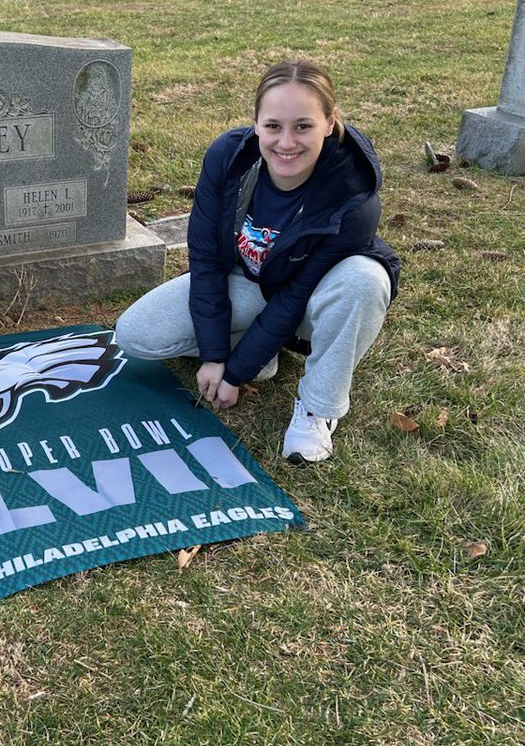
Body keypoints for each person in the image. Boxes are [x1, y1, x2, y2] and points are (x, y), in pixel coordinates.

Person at [115, 60, 400, 463]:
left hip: (316, 296)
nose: (286, 142)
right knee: (135, 334)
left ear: (330, 123)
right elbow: (207, 259)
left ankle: (317, 406)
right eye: (273, 126)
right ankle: (258, 351)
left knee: (363, 281)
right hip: (249, 278)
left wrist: (234, 375)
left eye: (303, 126)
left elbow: (296, 296)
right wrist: (216, 356)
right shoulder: (227, 157)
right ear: (255, 124)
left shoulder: (354, 199)